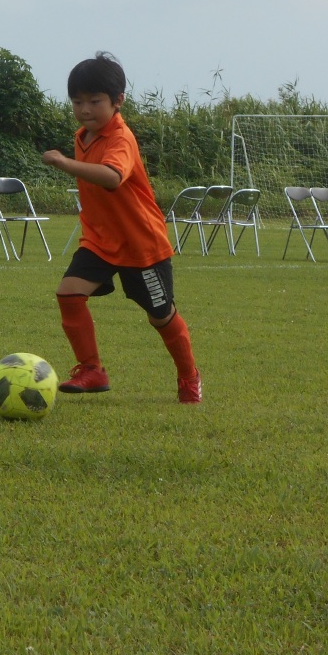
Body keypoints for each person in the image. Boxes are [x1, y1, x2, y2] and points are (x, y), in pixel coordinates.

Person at [41, 52, 202, 404]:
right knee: (69, 293)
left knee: (160, 316)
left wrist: (64, 164)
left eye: (94, 101)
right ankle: (92, 370)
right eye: (77, 102)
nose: (85, 110)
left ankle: (189, 377)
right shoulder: (83, 136)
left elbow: (112, 177)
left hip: (140, 243)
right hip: (100, 239)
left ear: (118, 101)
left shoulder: (120, 138)